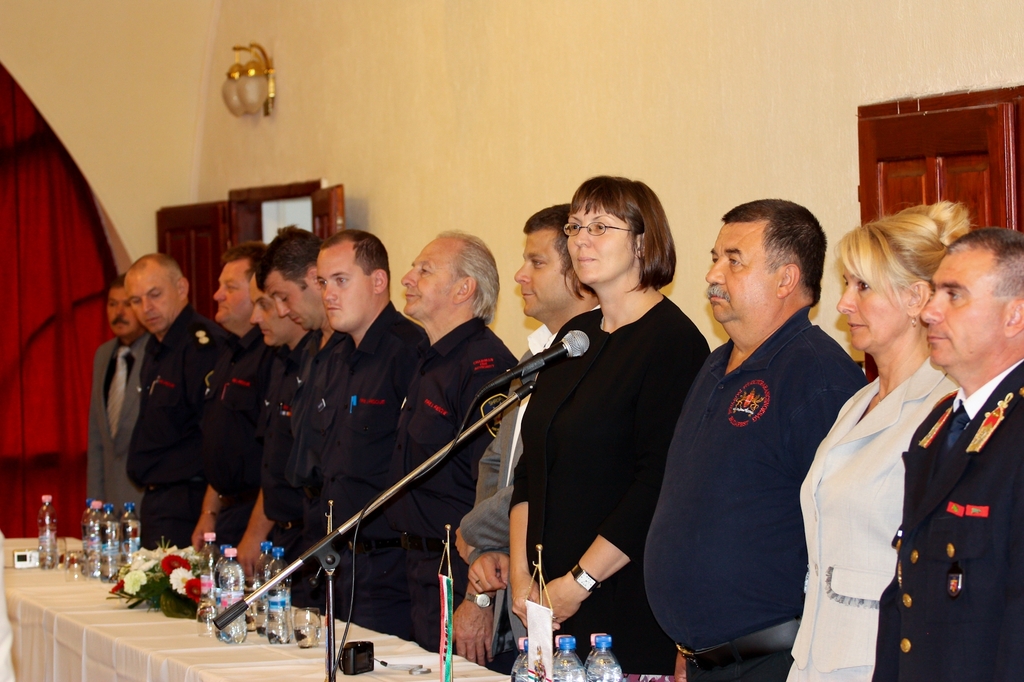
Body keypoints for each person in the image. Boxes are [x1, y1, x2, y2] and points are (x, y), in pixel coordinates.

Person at [645, 199, 866, 682]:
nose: (712, 275)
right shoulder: (715, 363)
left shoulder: (818, 376)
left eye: (734, 261)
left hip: (773, 662)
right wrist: (692, 646)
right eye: (715, 258)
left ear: (786, 279)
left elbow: (844, 533)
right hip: (706, 659)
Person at [509, 177, 710, 677]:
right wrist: (521, 578)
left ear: (642, 242)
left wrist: (578, 583)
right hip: (545, 602)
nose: (581, 240)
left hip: (622, 601)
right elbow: (530, 469)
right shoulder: (575, 336)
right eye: (575, 227)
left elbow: (657, 485)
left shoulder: (673, 342)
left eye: (600, 227)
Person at [787, 203, 969, 682]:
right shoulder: (859, 401)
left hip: (885, 656)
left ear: (915, 299)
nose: (844, 303)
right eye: (846, 284)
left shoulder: (947, 405)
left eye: (863, 286)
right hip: (818, 651)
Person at [873, 227, 1024, 682]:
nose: (929, 312)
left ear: (1014, 316)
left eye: (954, 295)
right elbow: (905, 595)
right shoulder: (938, 426)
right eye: (934, 292)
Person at [453, 204, 598, 671]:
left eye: (536, 262)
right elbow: (495, 464)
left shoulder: (598, 361)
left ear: (578, 274)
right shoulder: (533, 356)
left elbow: (547, 480)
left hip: (567, 599)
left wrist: (474, 531)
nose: (519, 275)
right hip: (511, 593)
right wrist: (485, 551)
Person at [386, 231, 517, 652]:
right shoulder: (431, 359)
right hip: (419, 570)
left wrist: (479, 599)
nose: (407, 279)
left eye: (424, 270)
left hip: (461, 573)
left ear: (464, 289)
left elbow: (494, 488)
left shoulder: (484, 368)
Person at [314, 230, 426, 639]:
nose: (328, 294)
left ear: (378, 281)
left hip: (388, 567)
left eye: (341, 280)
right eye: (323, 283)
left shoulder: (409, 351)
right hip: (338, 560)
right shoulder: (337, 356)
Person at [125, 253, 226, 549]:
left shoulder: (201, 346)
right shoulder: (156, 347)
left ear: (182, 288)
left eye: (155, 295)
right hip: (158, 500)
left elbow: (215, 437)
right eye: (136, 300)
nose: (146, 308)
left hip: (188, 502)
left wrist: (208, 512)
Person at [261, 226, 343, 580]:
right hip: (308, 522)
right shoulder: (309, 349)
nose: (282, 310)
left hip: (342, 530)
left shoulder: (352, 347)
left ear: (312, 278)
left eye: (283, 297)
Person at [192, 243, 274, 567]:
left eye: (230, 287)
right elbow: (221, 443)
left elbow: (274, 455)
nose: (217, 295)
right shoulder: (230, 350)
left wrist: (255, 533)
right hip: (225, 513)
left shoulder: (270, 354)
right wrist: (208, 512)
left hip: (256, 515)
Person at [248, 259, 311, 567]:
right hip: (280, 532)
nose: (254, 317)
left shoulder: (318, 364)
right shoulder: (280, 361)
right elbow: (273, 460)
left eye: (264, 304)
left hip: (307, 532)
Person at [87, 274, 148, 508]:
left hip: (147, 497)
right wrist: (95, 501)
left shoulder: (157, 354)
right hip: (111, 498)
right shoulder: (103, 355)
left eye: (127, 304)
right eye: (112, 304)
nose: (118, 312)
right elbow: (97, 436)